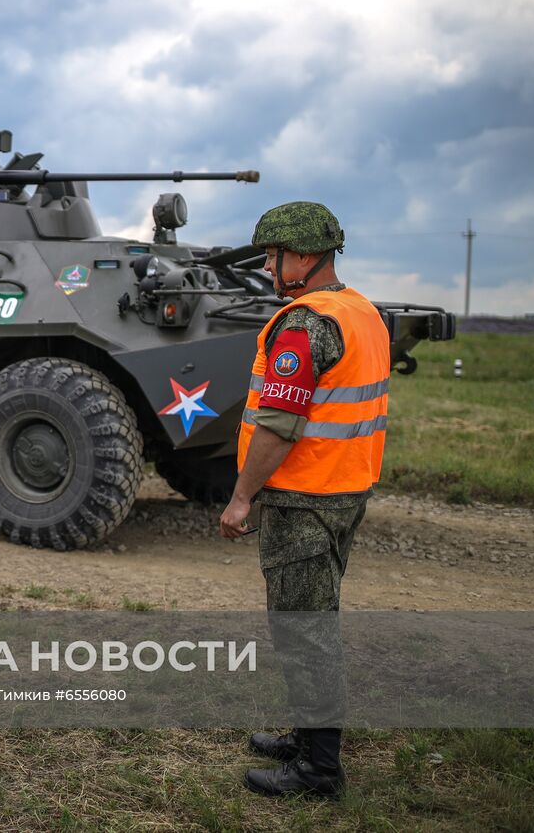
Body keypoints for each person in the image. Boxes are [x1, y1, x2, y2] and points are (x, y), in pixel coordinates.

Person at [219, 201, 390, 799]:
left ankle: (318, 771)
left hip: (305, 496)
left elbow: (279, 424)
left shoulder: (304, 325)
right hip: (344, 490)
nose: (268, 266)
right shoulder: (362, 312)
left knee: (304, 631)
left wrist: (242, 499)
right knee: (311, 620)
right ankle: (304, 737)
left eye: (274, 255)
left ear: (305, 257)